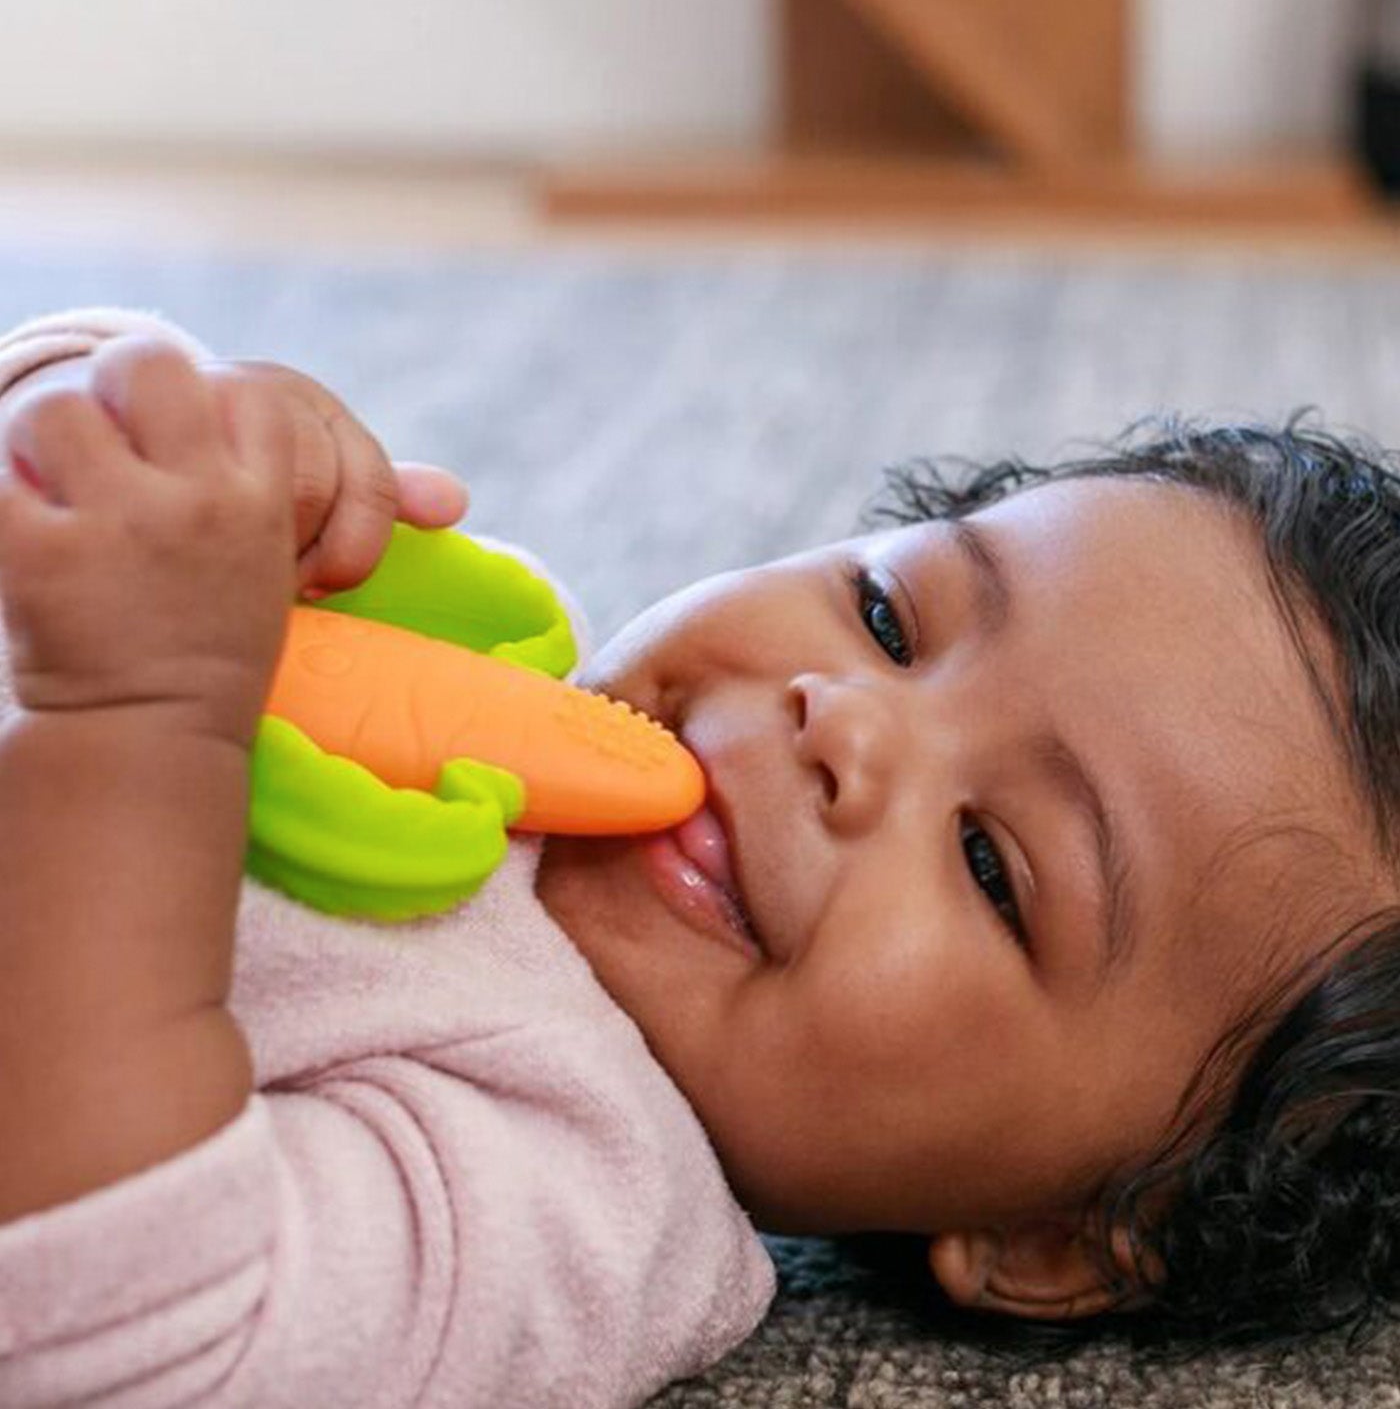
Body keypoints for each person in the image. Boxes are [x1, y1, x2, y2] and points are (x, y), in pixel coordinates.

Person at [0, 310, 1397, 1407]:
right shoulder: (471, 636)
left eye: (988, 863)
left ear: (1064, 1241)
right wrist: (148, 423)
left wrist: (141, 725)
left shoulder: (586, 1197)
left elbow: (131, 1336)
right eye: (889, 617)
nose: (841, 722)